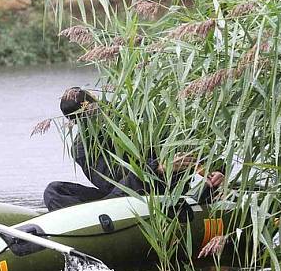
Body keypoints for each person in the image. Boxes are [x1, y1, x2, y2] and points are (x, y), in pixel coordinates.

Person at [43, 87, 224, 211]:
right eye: (87, 114)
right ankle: (80, 230)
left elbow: (186, 149)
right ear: (75, 121)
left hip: (162, 191)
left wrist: (214, 170)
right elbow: (116, 185)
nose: (96, 114)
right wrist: (157, 168)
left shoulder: (135, 118)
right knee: (54, 191)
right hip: (126, 196)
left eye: (94, 108)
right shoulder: (83, 148)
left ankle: (203, 193)